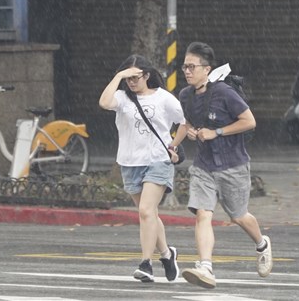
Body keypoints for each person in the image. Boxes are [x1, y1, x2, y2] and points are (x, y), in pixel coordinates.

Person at [178, 42, 273, 289]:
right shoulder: (185, 95)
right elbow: (187, 122)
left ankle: (262, 244)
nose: (187, 71)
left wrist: (217, 132)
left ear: (206, 69)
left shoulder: (224, 93)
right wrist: (188, 132)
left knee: (239, 216)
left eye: (192, 66)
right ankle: (205, 266)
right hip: (203, 166)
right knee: (202, 214)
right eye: (184, 66)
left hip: (233, 165)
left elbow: (249, 121)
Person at [99, 54, 186, 283]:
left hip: (158, 159)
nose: (131, 82)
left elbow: (186, 121)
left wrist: (174, 145)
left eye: (135, 77)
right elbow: (104, 103)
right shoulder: (121, 98)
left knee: (146, 211)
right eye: (128, 78)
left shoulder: (163, 98)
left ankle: (146, 263)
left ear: (146, 76)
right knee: (149, 215)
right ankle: (167, 254)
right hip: (129, 162)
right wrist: (118, 76)